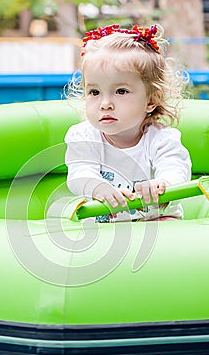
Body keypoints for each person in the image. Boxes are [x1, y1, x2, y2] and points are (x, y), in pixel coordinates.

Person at [64, 24, 191, 222]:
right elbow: (79, 173)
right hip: (105, 228)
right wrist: (98, 187)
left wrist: (163, 184)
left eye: (121, 91)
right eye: (94, 92)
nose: (105, 104)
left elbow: (176, 167)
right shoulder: (83, 136)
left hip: (155, 220)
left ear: (151, 100)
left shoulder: (161, 138)